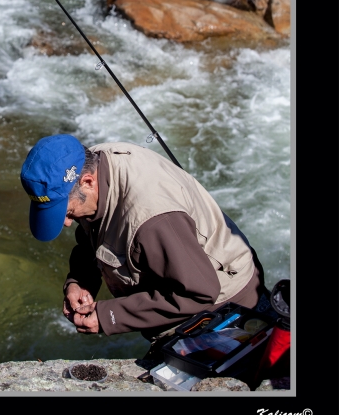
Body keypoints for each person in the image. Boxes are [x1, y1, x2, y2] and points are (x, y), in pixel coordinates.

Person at [20, 134, 267, 350]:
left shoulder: (153, 220)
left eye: (67, 211)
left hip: (221, 308)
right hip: (185, 282)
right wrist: (80, 280)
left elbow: (199, 293)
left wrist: (109, 316)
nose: (65, 223)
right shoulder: (90, 162)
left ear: (88, 181)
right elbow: (91, 235)